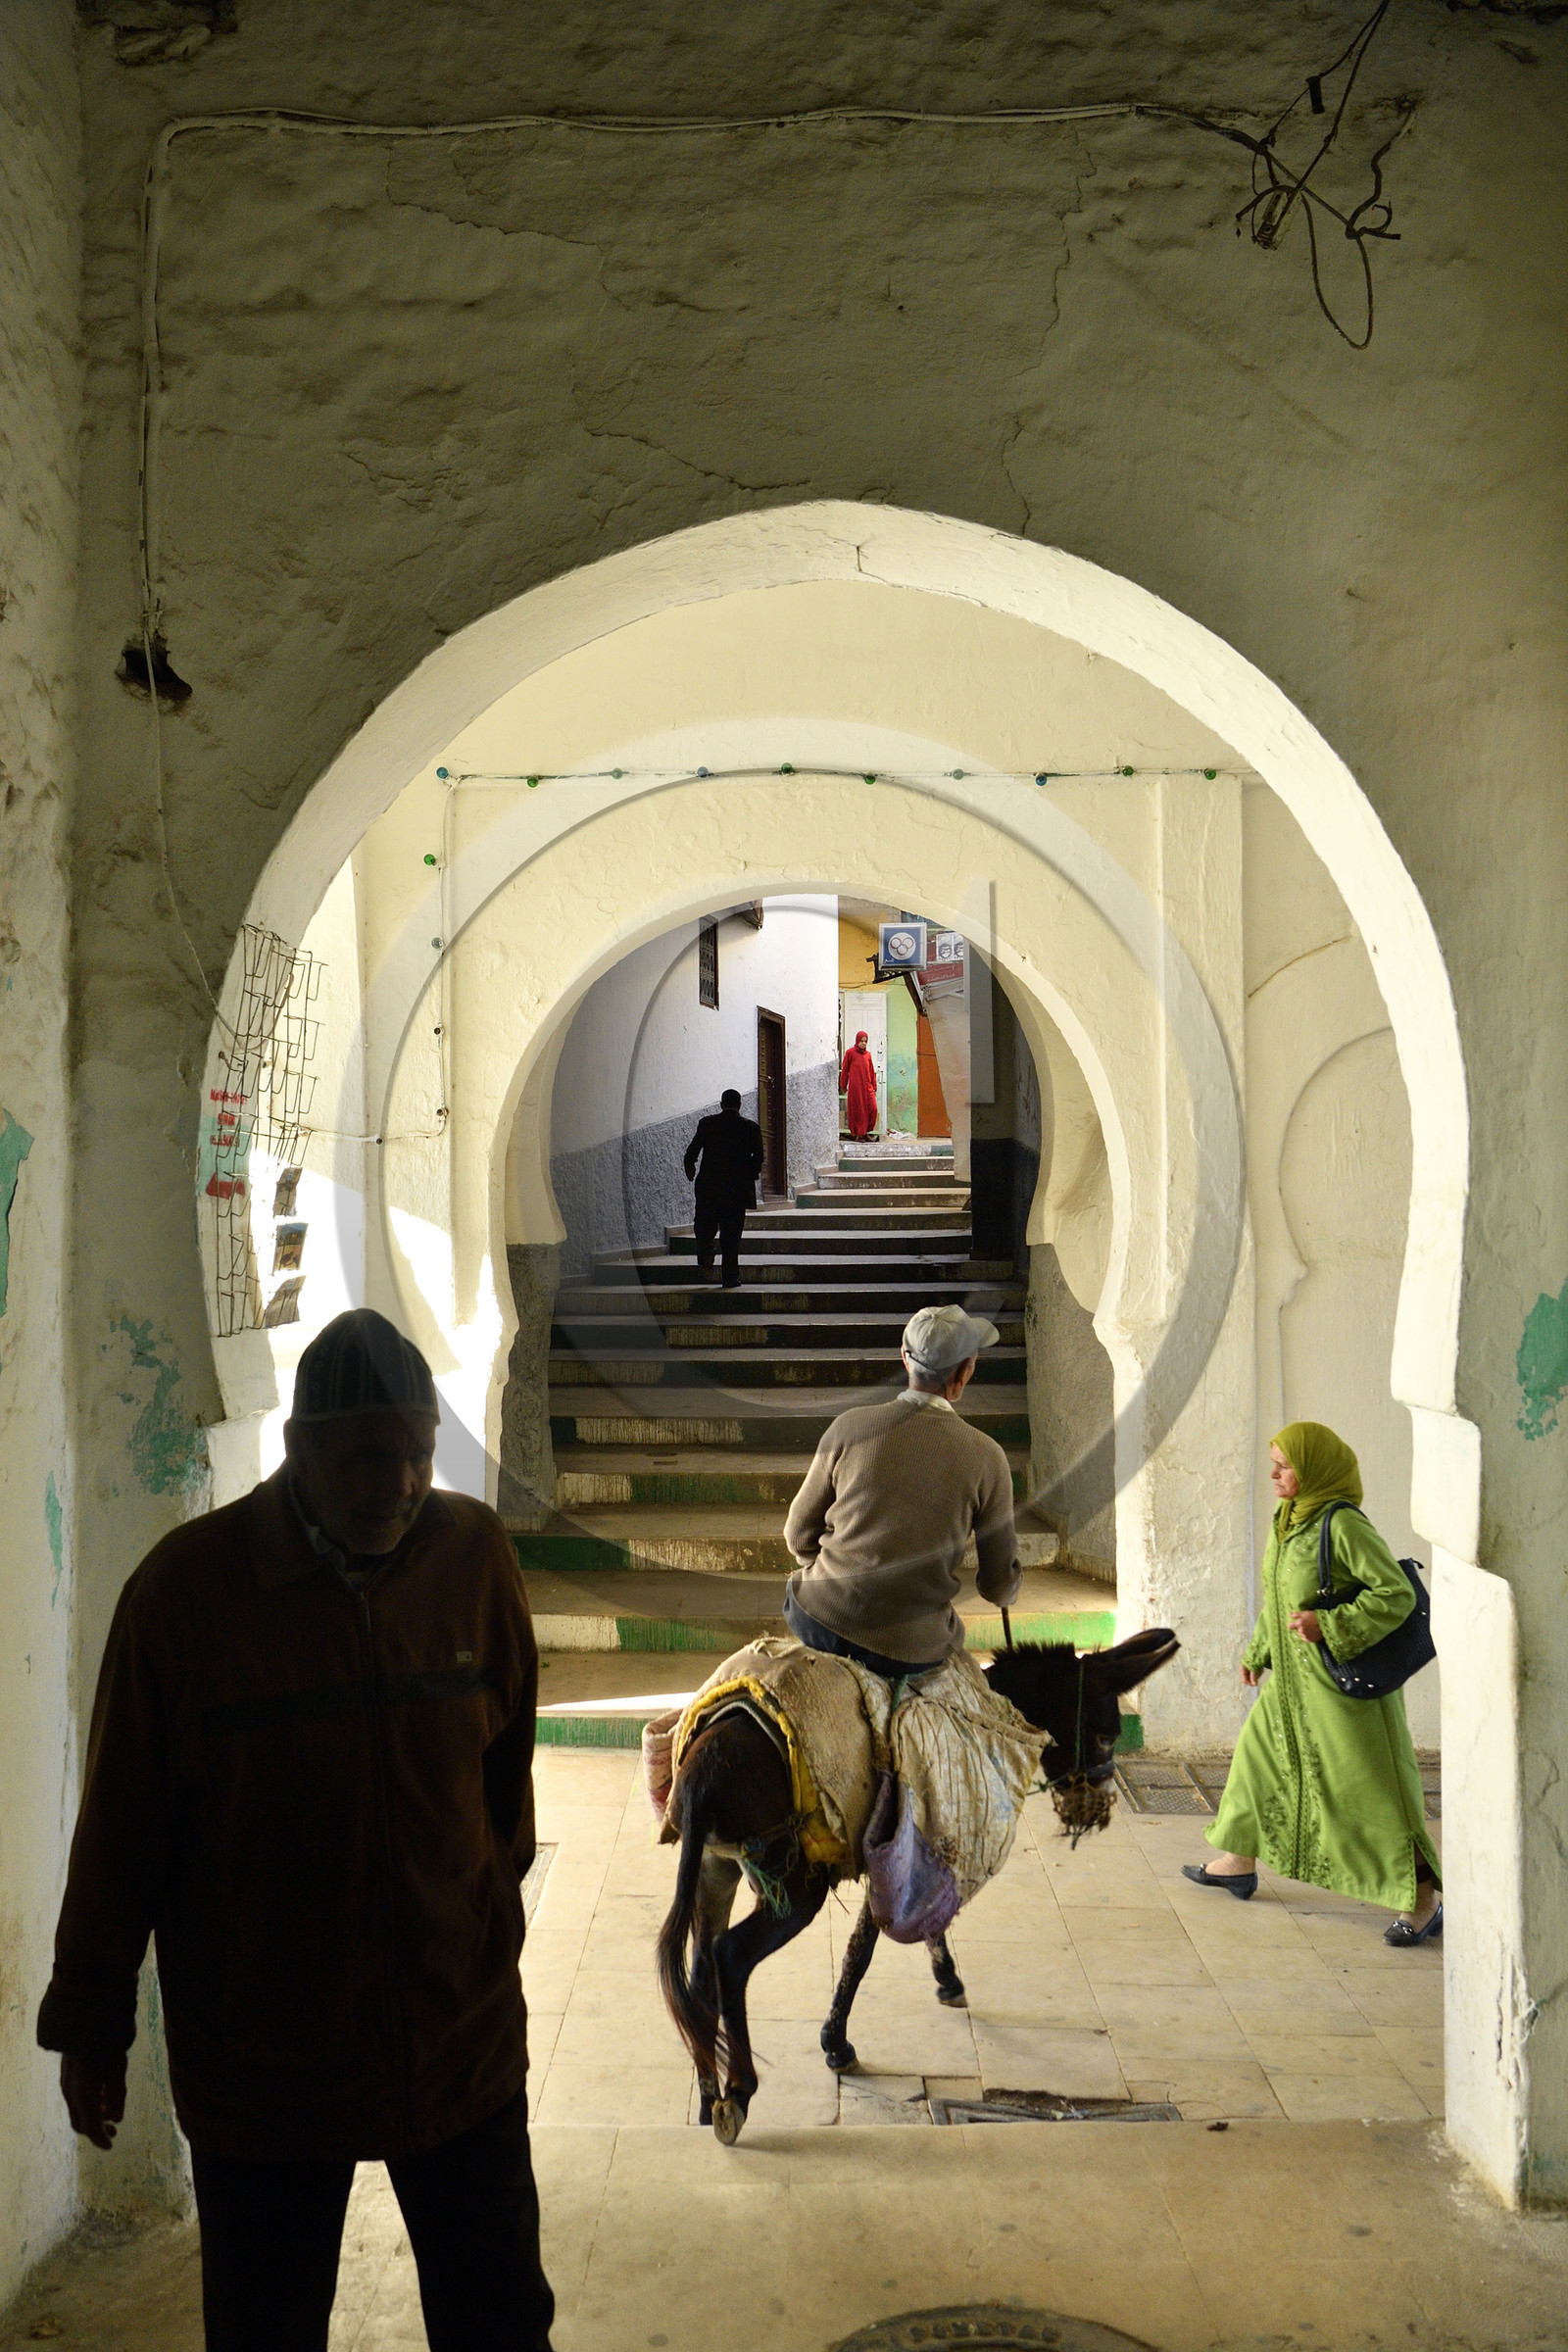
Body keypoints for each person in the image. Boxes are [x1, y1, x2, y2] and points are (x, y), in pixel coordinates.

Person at [37, 1309, 555, 2352]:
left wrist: (478, 1915)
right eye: (370, 1455)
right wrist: (91, 2016)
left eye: (418, 1453)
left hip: (459, 2036)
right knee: (266, 2328)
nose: (403, 1483)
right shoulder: (185, 1596)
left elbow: (507, 1767)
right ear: (298, 1451)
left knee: (498, 2320)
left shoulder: (473, 1557)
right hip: (268, 2063)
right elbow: (122, 1824)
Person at [1183, 1420, 1442, 1946]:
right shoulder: (1287, 1520)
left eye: (1285, 1466)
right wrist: (1259, 1650)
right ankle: (1237, 1859)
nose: (1274, 1474)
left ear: (1316, 1469)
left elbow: (1396, 1594)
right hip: (1291, 1687)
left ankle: (1422, 1900)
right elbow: (1280, 1598)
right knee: (1257, 1761)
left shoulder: (1342, 1524)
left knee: (1369, 1790)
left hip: (1337, 1687)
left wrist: (1330, 1624)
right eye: (1273, 1464)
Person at [782, 1303, 1021, 1677]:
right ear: (964, 1372)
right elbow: (998, 1587)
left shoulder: (848, 1426)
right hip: (910, 1648)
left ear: (905, 1359)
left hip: (817, 1617)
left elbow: (798, 1536)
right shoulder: (988, 1457)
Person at [682, 1087, 764, 1288]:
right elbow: (759, 1158)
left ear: (721, 1105)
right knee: (731, 1235)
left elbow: (692, 1151)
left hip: (709, 1187)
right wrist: (749, 1176)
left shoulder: (707, 1124)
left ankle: (706, 1254)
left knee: (703, 1226)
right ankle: (730, 1277)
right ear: (739, 1105)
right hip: (736, 1191)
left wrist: (690, 1168)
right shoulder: (750, 1127)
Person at [840, 1028, 878, 1140]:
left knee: (873, 1109)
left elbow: (871, 1071)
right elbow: (845, 1070)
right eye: (861, 1041)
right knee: (859, 1111)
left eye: (865, 1041)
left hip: (867, 1087)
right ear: (857, 1041)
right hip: (856, 1088)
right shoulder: (850, 1053)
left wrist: (874, 1086)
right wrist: (843, 1085)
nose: (863, 1043)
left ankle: (865, 1132)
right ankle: (859, 1134)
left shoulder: (868, 1055)